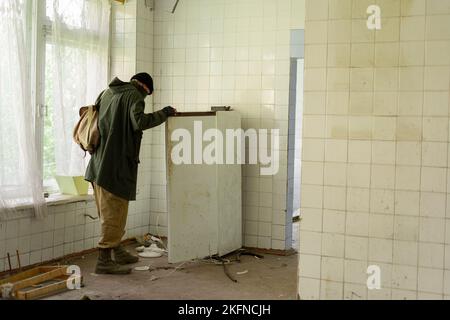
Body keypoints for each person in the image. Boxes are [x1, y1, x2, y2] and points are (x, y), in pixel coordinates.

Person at [85, 73, 176, 275]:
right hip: (114, 168)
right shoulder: (134, 96)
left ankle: (117, 250)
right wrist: (164, 113)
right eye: (148, 95)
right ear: (145, 88)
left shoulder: (106, 93)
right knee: (114, 215)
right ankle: (104, 261)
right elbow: (139, 122)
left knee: (108, 213)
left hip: (97, 165)